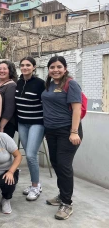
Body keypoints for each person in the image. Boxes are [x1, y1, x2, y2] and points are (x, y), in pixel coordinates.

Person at [41, 56, 83, 220]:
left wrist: (74, 132)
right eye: (52, 67)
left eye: (59, 67)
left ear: (65, 68)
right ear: (49, 69)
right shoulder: (50, 85)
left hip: (67, 131)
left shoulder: (71, 84)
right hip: (51, 131)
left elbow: (77, 109)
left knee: (64, 166)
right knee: (56, 163)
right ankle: (62, 194)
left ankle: (66, 203)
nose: (55, 70)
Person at [15, 57, 46, 201]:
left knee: (32, 155)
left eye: (28, 65)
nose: (25, 67)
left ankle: (36, 186)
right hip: (22, 123)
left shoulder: (40, 84)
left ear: (34, 67)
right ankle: (35, 183)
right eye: (22, 65)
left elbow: (47, 103)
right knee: (28, 154)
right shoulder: (18, 82)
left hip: (37, 123)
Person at [0, 61, 18, 138]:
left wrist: (1, 126)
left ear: (10, 71)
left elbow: (9, 109)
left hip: (6, 124)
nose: (1, 71)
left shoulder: (11, 86)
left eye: (4, 69)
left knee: (3, 149)